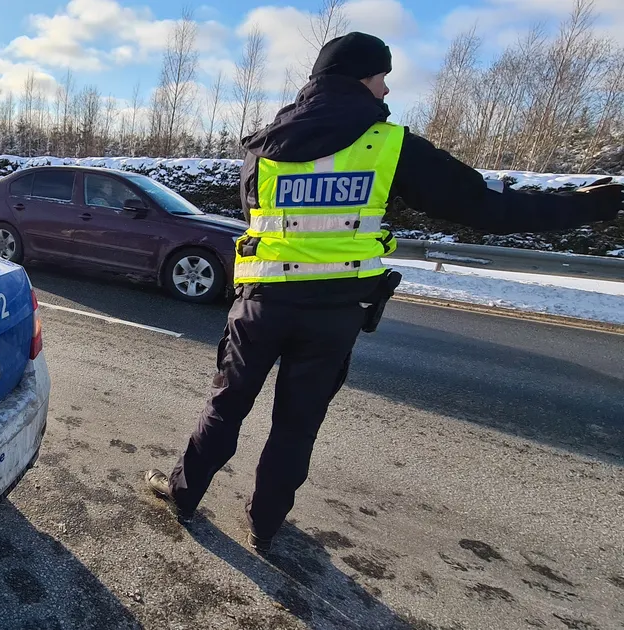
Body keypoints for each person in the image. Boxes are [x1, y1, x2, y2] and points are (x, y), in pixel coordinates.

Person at [144, 32, 623, 553]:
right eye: (381, 78)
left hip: (262, 303)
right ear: (359, 79)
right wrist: (584, 205)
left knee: (226, 405)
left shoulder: (266, 147)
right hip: (334, 312)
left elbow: (255, 218)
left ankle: (183, 495)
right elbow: (484, 205)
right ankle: (264, 524)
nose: (387, 90)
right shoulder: (389, 144)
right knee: (296, 423)